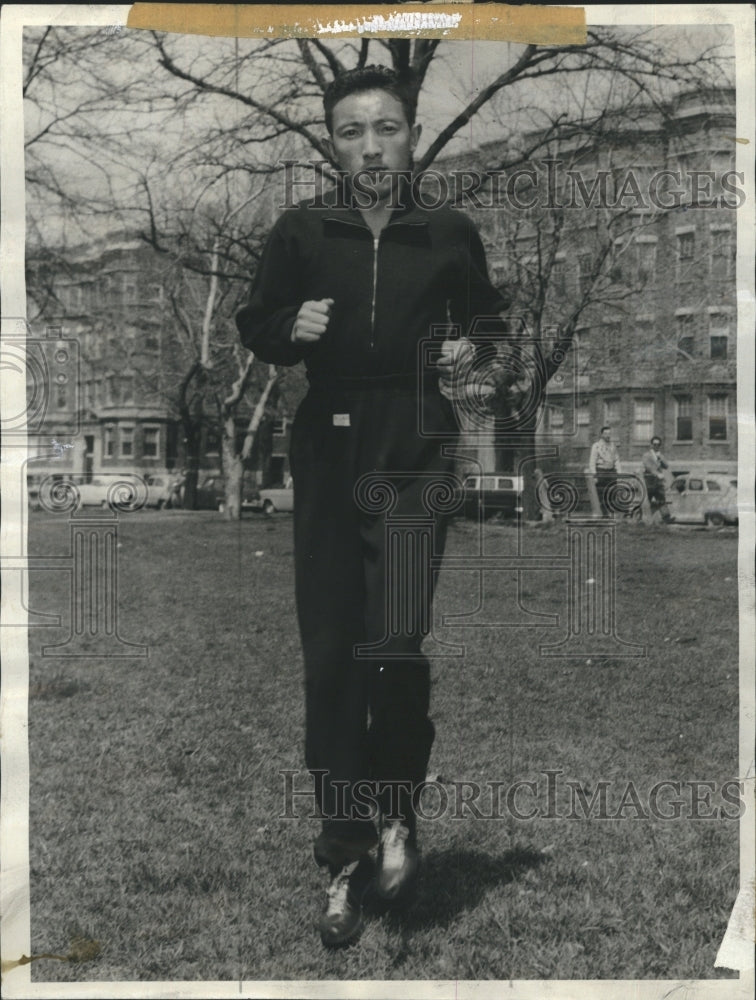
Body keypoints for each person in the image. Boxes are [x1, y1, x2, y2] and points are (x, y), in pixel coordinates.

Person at [236, 65, 509, 947]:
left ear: (411, 134)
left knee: (393, 643)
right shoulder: (301, 229)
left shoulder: (449, 230)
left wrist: (473, 349)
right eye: (351, 131)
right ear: (333, 140)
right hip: (328, 442)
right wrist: (289, 331)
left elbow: (493, 328)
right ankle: (345, 855)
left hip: (415, 441)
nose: (369, 146)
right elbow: (258, 320)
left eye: (385, 128)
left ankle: (397, 817)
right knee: (331, 657)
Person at [589, 425, 622, 516]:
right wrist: (594, 475)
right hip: (601, 471)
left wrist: (619, 473)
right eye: (606, 433)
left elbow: (617, 459)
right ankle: (603, 514)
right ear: (601, 434)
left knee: (612, 492)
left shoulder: (613, 445)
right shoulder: (596, 446)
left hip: (611, 471)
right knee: (602, 493)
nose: (608, 435)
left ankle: (611, 513)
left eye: (609, 433)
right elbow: (592, 462)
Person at [642, 436, 671, 522]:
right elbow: (648, 467)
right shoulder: (646, 455)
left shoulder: (660, 455)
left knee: (661, 499)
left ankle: (666, 518)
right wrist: (657, 474)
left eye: (658, 445)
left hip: (658, 483)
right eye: (654, 444)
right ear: (651, 445)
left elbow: (666, 466)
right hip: (649, 482)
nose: (656, 446)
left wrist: (661, 459)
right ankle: (641, 518)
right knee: (647, 501)